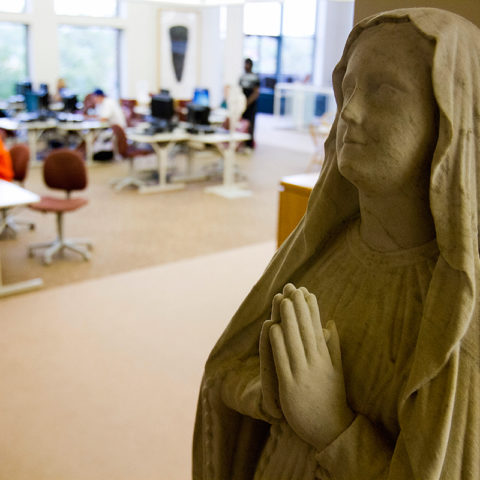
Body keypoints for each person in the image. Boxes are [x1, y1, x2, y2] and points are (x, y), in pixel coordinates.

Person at [193, 8, 479, 480]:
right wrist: (270, 393)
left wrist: (331, 425)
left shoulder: (455, 317)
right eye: (348, 88)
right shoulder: (322, 248)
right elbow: (225, 370)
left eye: (383, 91)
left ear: (446, 121)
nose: (348, 111)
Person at [239, 58, 260, 149]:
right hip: (242, 104)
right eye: (244, 64)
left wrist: (247, 102)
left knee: (251, 124)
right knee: (242, 124)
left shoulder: (255, 77)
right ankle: (241, 143)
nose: (245, 66)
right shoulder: (242, 77)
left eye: (247, 64)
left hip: (251, 105)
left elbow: (256, 92)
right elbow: (239, 90)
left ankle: (249, 144)